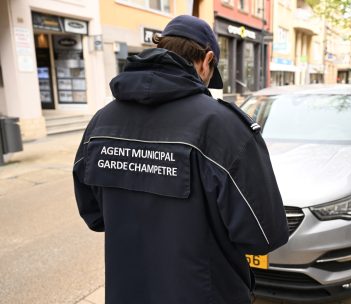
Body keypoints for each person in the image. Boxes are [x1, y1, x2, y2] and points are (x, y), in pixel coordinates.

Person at [72, 15, 289, 304]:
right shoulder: (223, 127)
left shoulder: (102, 122)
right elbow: (264, 236)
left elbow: (95, 215)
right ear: (206, 60)